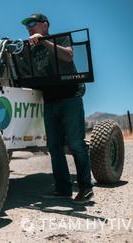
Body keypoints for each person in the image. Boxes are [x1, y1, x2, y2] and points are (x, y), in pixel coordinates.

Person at [20, 13, 94, 204]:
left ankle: (86, 189)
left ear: (44, 25)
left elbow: (68, 56)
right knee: (54, 147)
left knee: (76, 144)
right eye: (26, 25)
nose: (29, 27)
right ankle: (63, 189)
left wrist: (44, 42)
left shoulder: (59, 39)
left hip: (70, 99)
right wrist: (21, 53)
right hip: (50, 102)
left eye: (32, 23)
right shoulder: (32, 50)